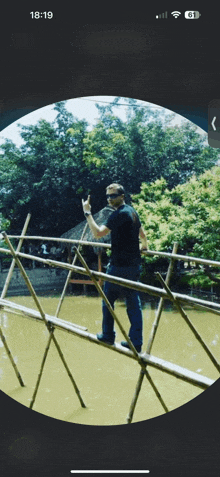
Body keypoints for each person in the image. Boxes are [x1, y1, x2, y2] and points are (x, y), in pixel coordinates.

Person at [82, 183, 148, 353]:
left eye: (113, 195)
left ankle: (108, 335)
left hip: (119, 267)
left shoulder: (118, 215)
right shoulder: (131, 211)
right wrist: (145, 244)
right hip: (134, 265)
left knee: (107, 300)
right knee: (133, 303)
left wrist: (87, 213)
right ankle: (136, 342)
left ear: (122, 196)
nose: (110, 199)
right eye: (108, 196)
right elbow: (142, 232)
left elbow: (97, 233)